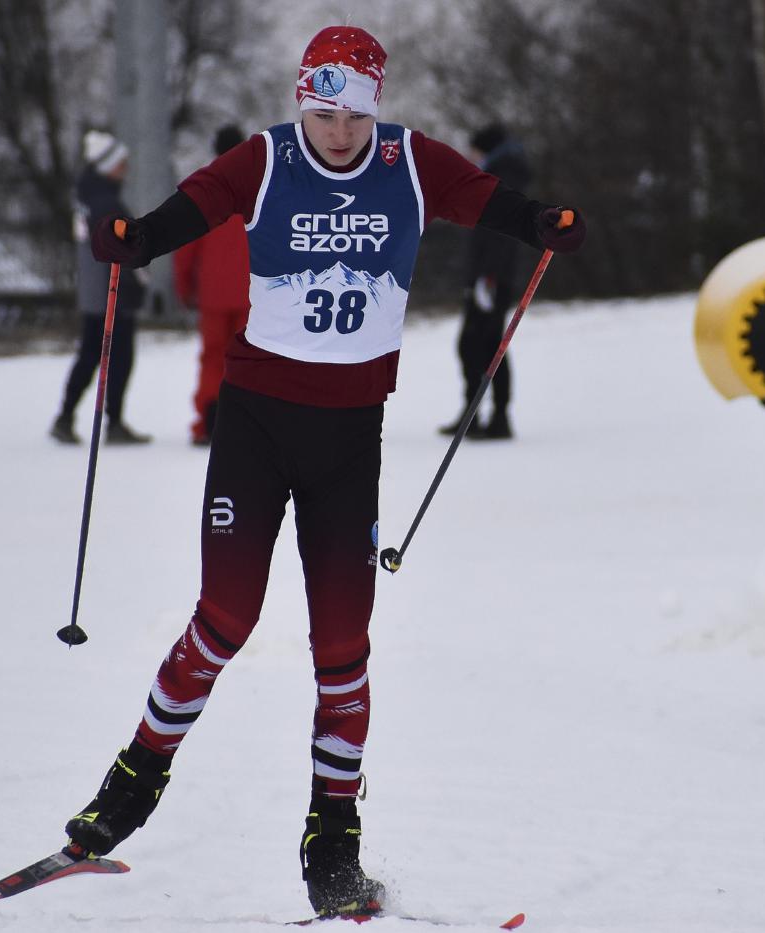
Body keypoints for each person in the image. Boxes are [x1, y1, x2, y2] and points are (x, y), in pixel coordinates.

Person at [61, 26, 584, 919]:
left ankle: (332, 844)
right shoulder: (266, 159)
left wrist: (541, 223)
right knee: (224, 618)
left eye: (354, 116)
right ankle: (130, 786)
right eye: (323, 113)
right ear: (301, 103)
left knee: (343, 646)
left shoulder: (409, 162)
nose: (338, 132)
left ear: (376, 109)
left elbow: (487, 199)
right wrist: (136, 240)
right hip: (256, 426)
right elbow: (193, 206)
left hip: (349, 438)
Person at [50, 129, 151, 446]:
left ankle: (66, 416)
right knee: (118, 357)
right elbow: (122, 247)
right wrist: (136, 278)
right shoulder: (105, 202)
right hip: (112, 292)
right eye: (122, 163)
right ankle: (112, 422)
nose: (126, 168)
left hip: (95, 291)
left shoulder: (88, 197)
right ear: (108, 166)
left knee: (91, 354)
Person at [441, 123, 533, 440]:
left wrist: (489, 277)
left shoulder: (503, 178)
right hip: (485, 276)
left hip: (493, 279)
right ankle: (475, 414)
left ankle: (498, 417)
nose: (471, 156)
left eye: (475, 151)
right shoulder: (495, 175)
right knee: (474, 344)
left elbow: (501, 236)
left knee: (487, 345)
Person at [173, 124, 252, 446]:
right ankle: (245, 424)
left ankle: (208, 421)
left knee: (212, 358)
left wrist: (184, 289)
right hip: (252, 294)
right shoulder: (257, 187)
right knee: (247, 361)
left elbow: (184, 246)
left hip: (212, 296)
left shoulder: (203, 189)